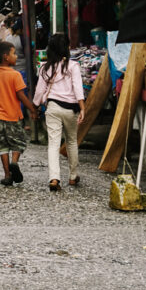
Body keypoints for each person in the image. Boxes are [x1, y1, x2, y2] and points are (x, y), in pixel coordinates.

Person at [32, 33, 85, 192]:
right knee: (71, 141)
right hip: (71, 109)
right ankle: (73, 176)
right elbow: (78, 88)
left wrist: (35, 106)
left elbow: (39, 91)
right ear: (67, 48)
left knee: (53, 144)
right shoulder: (73, 66)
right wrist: (83, 108)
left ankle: (54, 178)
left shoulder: (44, 67)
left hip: (53, 107)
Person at [0, 41, 38, 186]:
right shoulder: (15, 75)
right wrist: (32, 109)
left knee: (2, 145)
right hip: (13, 116)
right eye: (14, 53)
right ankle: (14, 162)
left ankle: (7, 175)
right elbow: (21, 95)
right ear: (6, 57)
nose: (16, 56)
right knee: (18, 142)